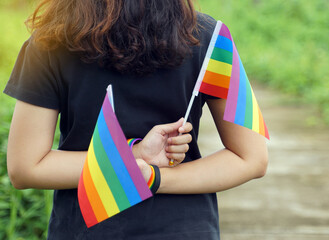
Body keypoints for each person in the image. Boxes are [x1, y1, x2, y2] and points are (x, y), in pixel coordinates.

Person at [4, 0, 268, 239]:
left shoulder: (52, 39)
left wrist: (135, 162)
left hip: (86, 228)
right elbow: (250, 158)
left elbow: (26, 167)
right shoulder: (207, 37)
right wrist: (147, 170)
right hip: (185, 229)